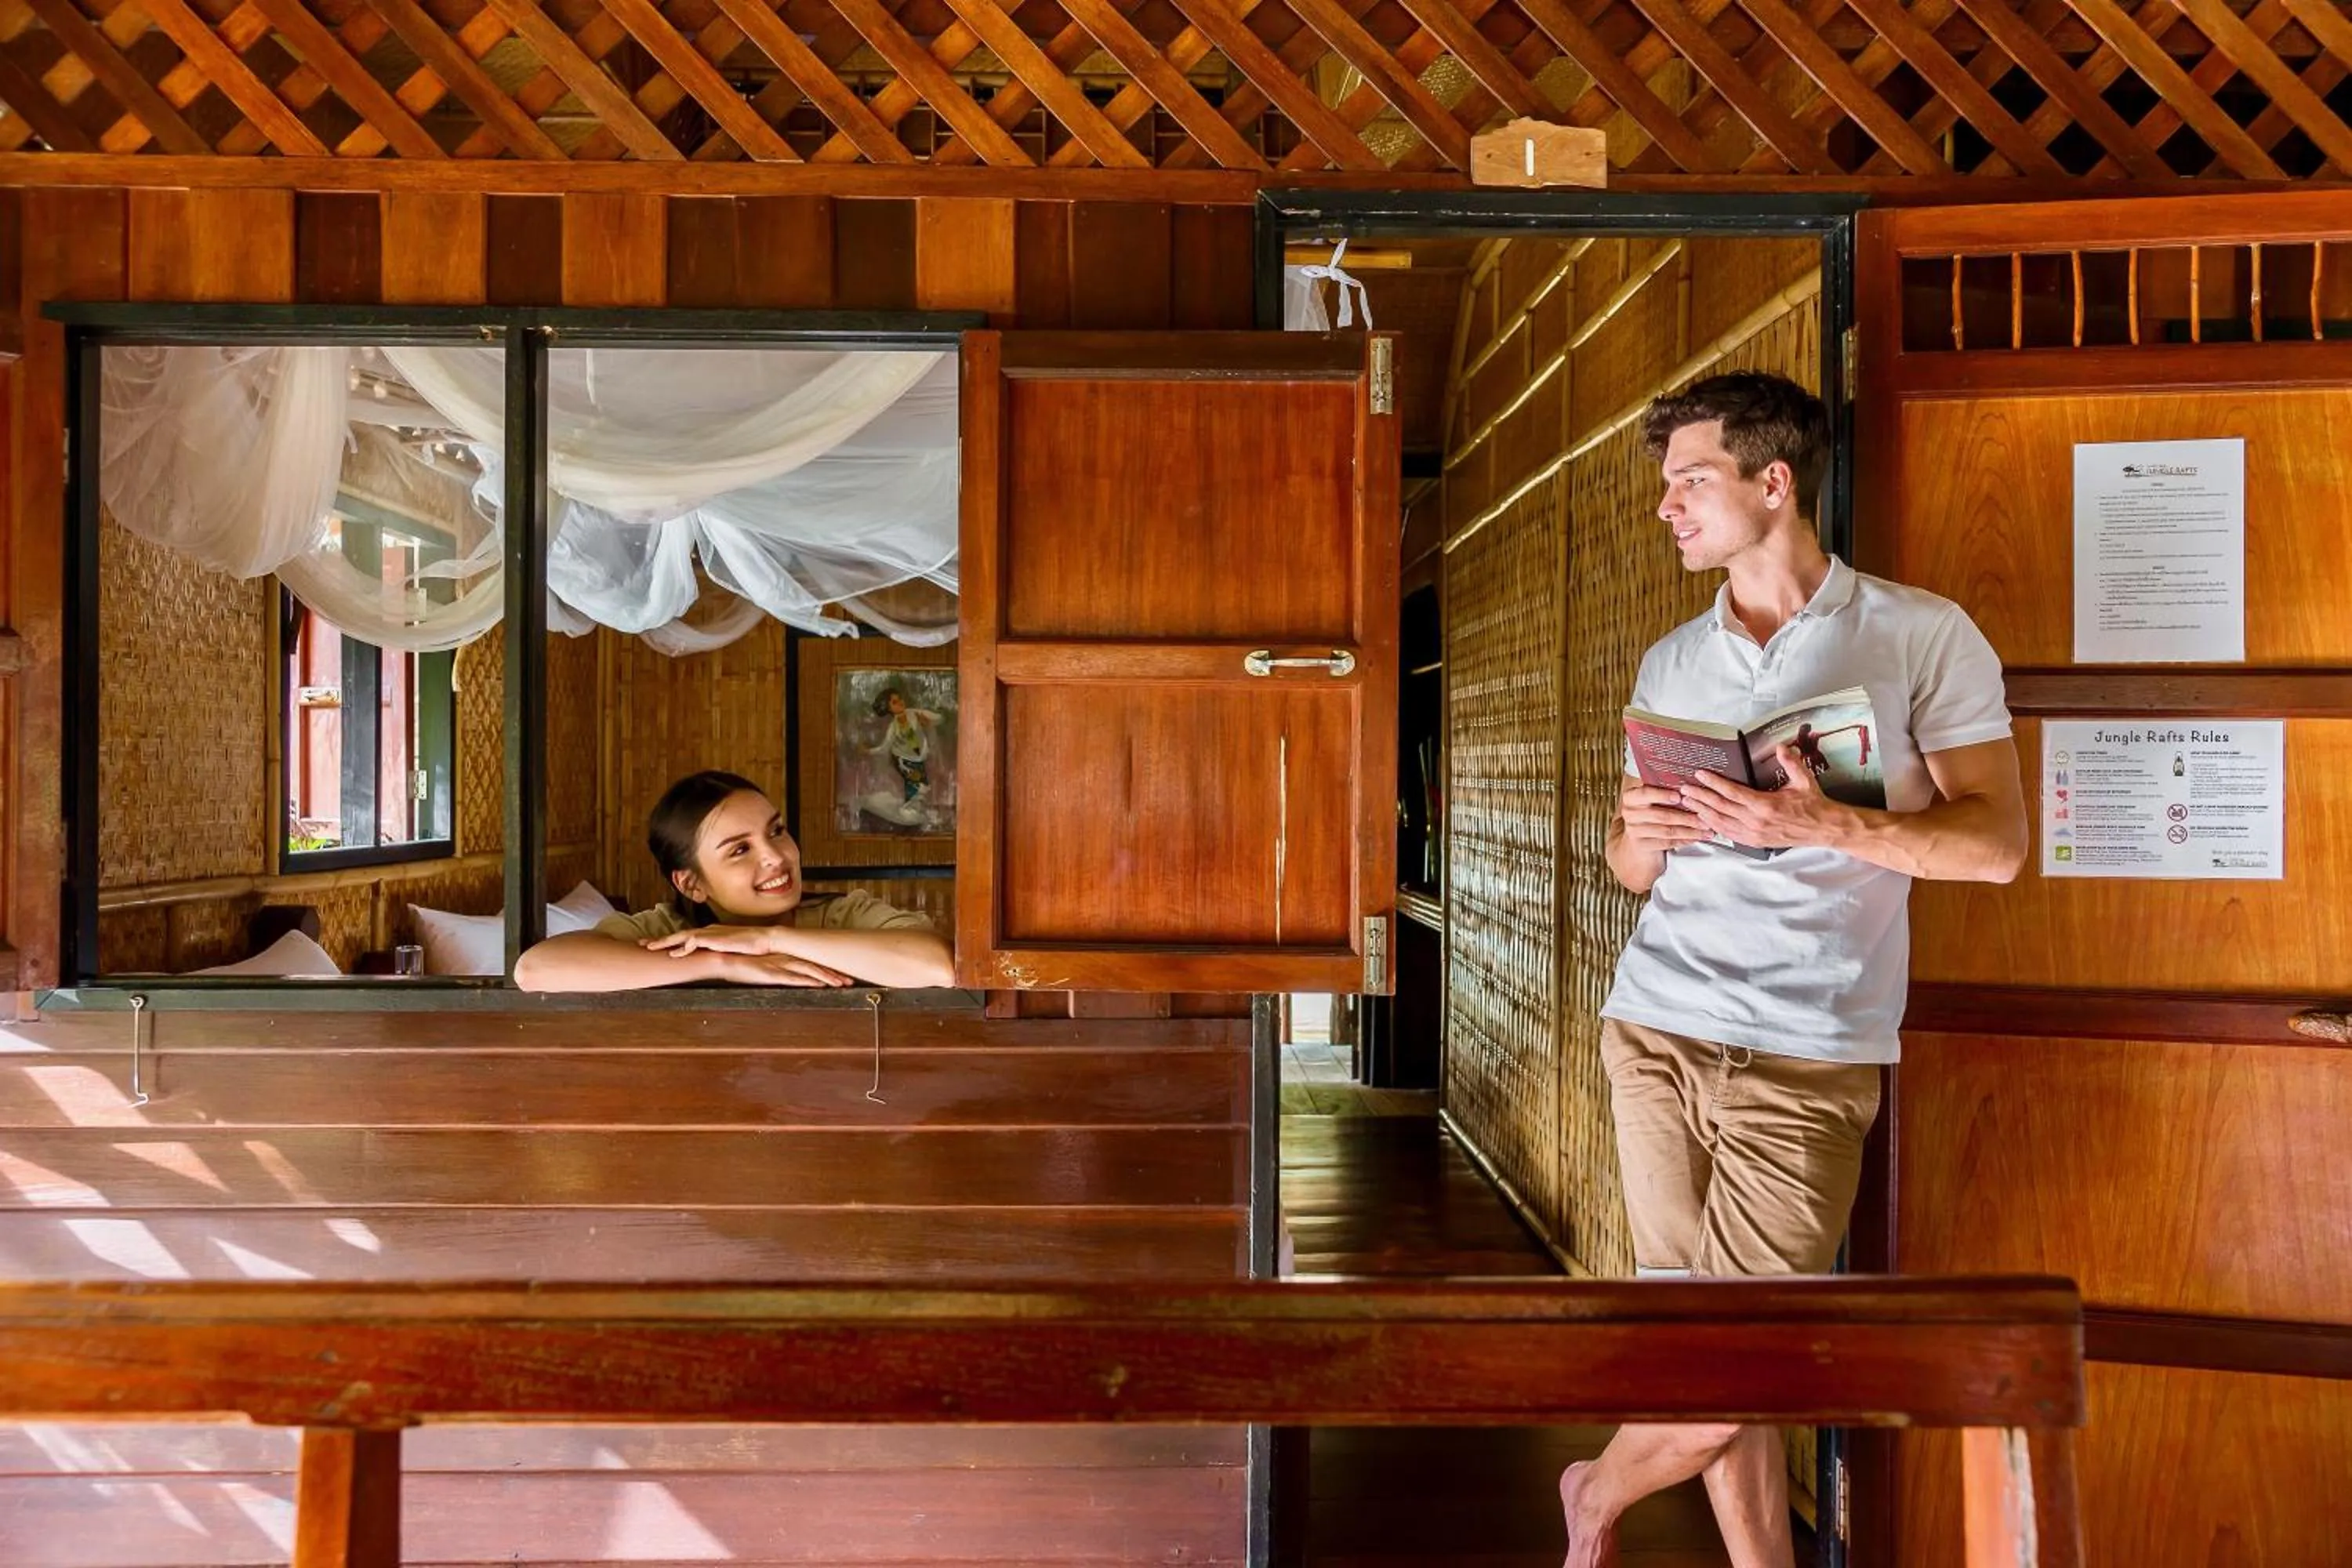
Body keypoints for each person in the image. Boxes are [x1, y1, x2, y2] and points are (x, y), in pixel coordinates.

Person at [1563, 373, 2027, 1568]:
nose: (1666, 507)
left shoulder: (1922, 635)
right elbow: (1629, 869)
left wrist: (1824, 829)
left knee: (1738, 1354)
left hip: (1811, 1045)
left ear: (1774, 484)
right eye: (1663, 487)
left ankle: (1594, 1492)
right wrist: (1638, 840)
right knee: (1707, 1353)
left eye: (1690, 482)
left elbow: (1996, 849)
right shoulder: (1673, 660)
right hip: (1655, 1025)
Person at [513, 770, 955, 992]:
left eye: (777, 831)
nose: (777, 857)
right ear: (691, 885)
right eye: (740, 850)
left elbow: (937, 966)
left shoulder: (845, 915)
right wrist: (722, 961)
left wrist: (768, 941)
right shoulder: (667, 932)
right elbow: (536, 970)